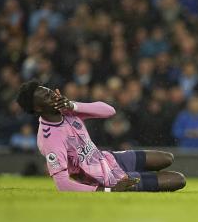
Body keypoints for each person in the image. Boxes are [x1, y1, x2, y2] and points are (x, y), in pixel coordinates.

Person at [16, 80, 186, 192]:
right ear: (38, 108)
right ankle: (131, 183)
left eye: (50, 90)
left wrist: (73, 105)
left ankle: (137, 176)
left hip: (107, 158)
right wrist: (107, 190)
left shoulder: (67, 111)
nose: (53, 95)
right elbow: (62, 184)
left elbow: (109, 111)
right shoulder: (49, 138)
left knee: (167, 158)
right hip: (103, 178)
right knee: (179, 179)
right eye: (46, 96)